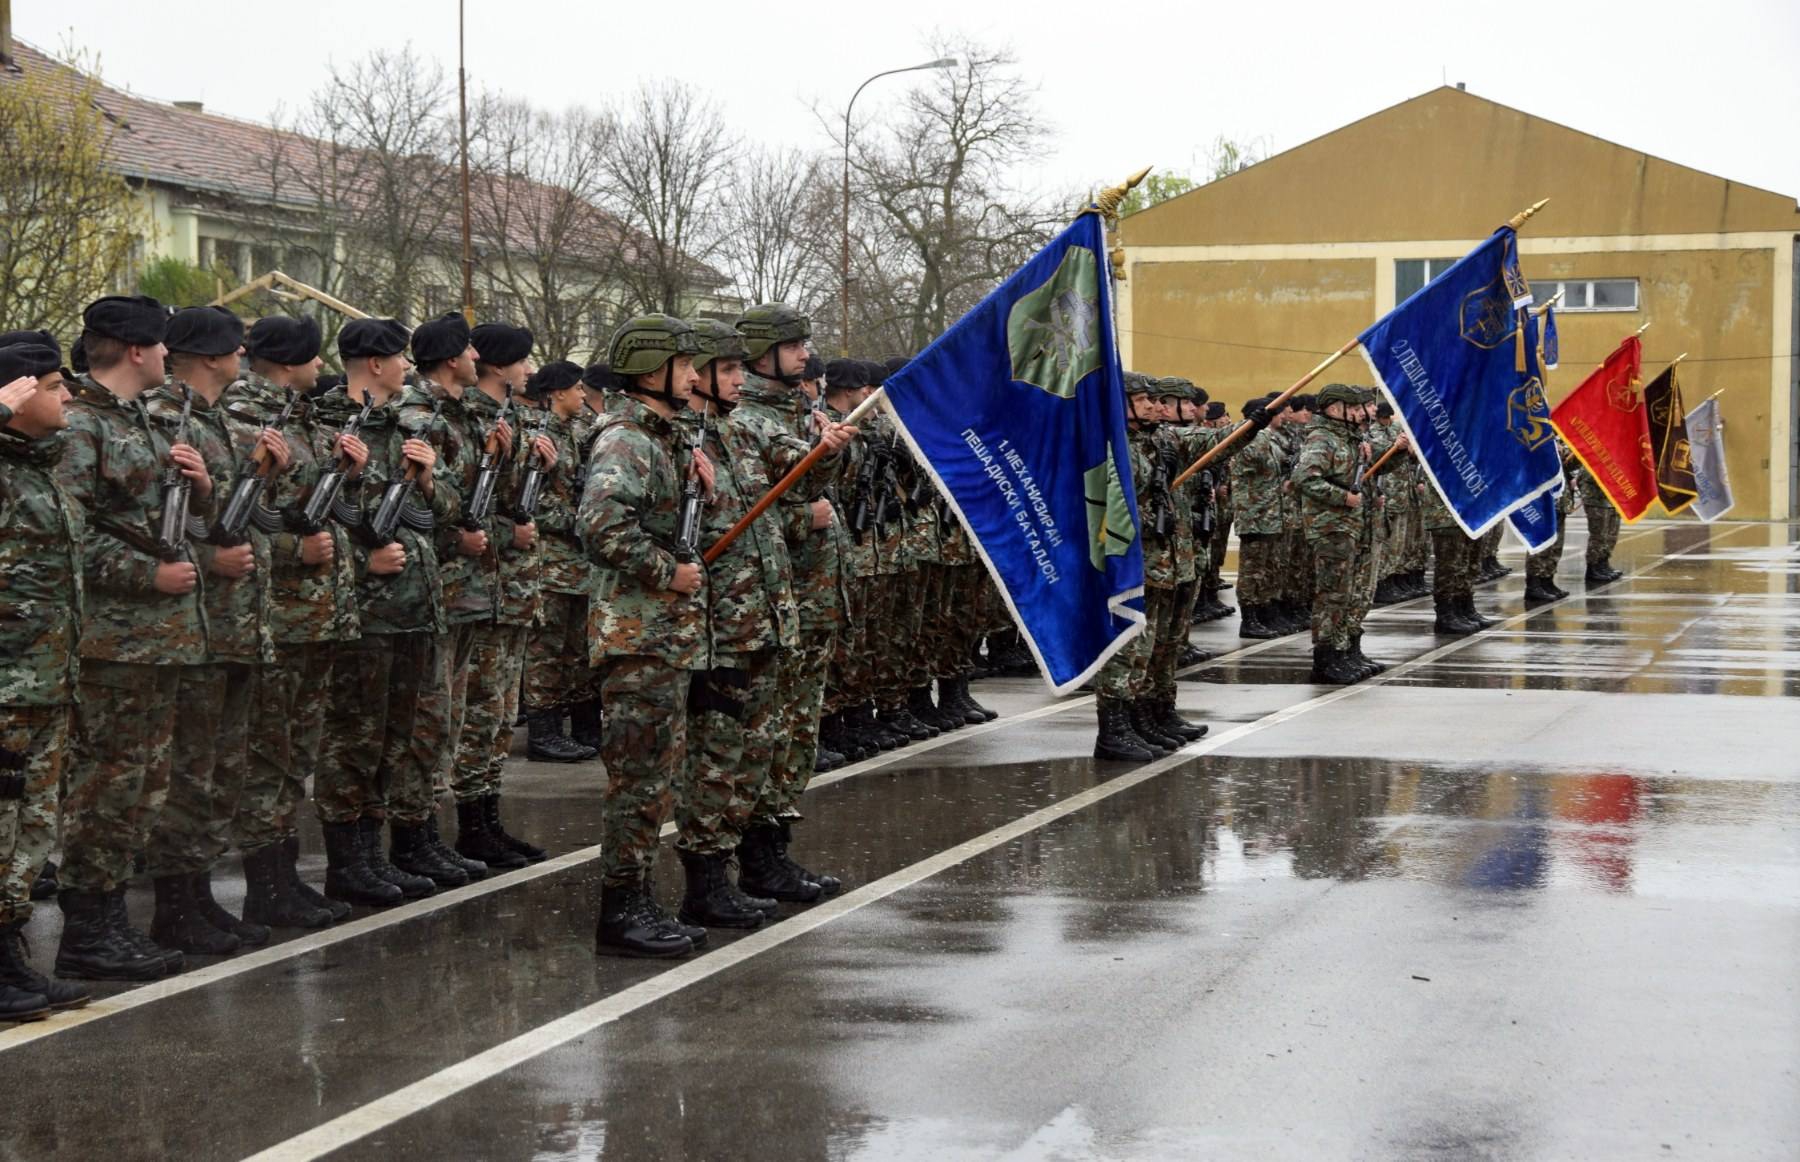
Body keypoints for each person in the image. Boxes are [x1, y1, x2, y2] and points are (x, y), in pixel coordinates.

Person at [55, 294, 210, 981]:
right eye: (162, 346)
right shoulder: (79, 426)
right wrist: (146, 575)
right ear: (140, 350)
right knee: (105, 789)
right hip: (113, 645)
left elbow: (162, 515)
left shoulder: (139, 422)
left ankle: (110, 922)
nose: (170, 357)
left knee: (141, 788)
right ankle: (87, 930)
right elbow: (65, 537)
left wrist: (201, 486)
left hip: (156, 642)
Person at [142, 306, 282, 955]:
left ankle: (197, 897)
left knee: (220, 772)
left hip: (233, 627)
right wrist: (207, 562)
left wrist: (261, 476)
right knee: (188, 774)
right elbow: (157, 533)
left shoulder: (217, 421)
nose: (242, 354)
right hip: (197, 628)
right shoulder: (171, 420)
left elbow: (226, 516)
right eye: (234, 346)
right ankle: (175, 904)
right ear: (208, 354)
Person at [314, 317, 464, 905]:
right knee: (353, 737)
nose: (407, 368)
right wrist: (359, 562)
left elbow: (450, 509)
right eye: (398, 358)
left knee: (394, 738)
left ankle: (372, 856)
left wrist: (427, 480)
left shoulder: (406, 428)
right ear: (373, 364)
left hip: (415, 609)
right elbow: (314, 517)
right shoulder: (328, 427)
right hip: (363, 613)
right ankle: (346, 861)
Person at [579, 314, 713, 957]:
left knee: (654, 776)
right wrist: (669, 571)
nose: (694, 375)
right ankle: (621, 910)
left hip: (662, 635)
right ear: (652, 369)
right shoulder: (627, 437)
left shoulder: (661, 437)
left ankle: (639, 901)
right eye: (684, 364)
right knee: (635, 779)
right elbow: (601, 525)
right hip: (639, 636)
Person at [232, 315, 360, 928]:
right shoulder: (247, 420)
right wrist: (292, 553)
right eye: (313, 357)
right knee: (270, 752)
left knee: (294, 755)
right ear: (291, 361)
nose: (321, 368)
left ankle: (284, 876)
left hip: (316, 616)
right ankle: (266, 883)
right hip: (280, 614)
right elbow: (234, 518)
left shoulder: (300, 416)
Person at [730, 305, 856, 901]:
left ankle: (776, 847)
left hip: (810, 596)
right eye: (792, 343)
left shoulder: (797, 410)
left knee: (798, 727)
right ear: (762, 353)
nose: (805, 353)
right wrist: (804, 516)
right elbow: (740, 514)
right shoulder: (748, 419)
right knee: (771, 728)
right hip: (778, 599)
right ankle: (756, 855)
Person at [0, 341, 93, 1017]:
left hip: (47, 681)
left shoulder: (37, 470)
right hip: (6, 686)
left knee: (29, 834)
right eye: (55, 386)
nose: (67, 398)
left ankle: (12, 961)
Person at [518, 360, 599, 763]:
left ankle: (584, 727)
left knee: (578, 650)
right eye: (576, 388)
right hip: (551, 563)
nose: (583, 394)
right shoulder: (537, 436)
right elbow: (536, 501)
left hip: (580, 565)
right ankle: (544, 732)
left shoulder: (579, 432)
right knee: (546, 651)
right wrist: (581, 521)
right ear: (557, 393)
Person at [1294, 384, 1381, 684]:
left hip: (1346, 527)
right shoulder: (1322, 438)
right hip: (1329, 526)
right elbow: (1305, 478)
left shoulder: (1347, 438)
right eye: (1353, 407)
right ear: (1334, 409)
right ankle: (1325, 659)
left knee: (1344, 594)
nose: (1360, 413)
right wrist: (1344, 498)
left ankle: (1341, 652)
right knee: (1331, 596)